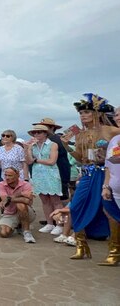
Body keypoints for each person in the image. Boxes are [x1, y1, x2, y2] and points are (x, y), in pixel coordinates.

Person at [61, 94, 119, 262]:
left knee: (109, 210)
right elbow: (80, 158)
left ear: (97, 113)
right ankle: (81, 246)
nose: (83, 115)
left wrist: (109, 152)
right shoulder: (80, 135)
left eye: (86, 112)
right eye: (81, 113)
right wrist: (66, 145)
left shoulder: (110, 130)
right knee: (76, 206)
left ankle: (114, 251)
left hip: (106, 173)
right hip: (88, 173)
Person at [25, 124, 64, 236]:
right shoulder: (33, 146)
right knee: (44, 200)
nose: (36, 134)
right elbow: (29, 161)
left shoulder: (53, 144)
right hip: (38, 175)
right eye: (34, 133)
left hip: (51, 174)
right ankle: (49, 223)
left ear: (45, 133)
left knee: (55, 200)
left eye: (39, 132)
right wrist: (27, 149)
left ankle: (60, 224)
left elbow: (52, 161)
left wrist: (37, 160)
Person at [100, 106, 120, 266]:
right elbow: (108, 166)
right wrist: (106, 186)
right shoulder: (114, 140)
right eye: (117, 115)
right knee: (113, 217)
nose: (118, 117)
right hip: (114, 188)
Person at [0, 167, 37, 243]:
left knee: (20, 205)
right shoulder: (1, 184)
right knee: (3, 233)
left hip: (27, 212)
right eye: (6, 175)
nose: (7, 178)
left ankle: (27, 232)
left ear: (17, 175)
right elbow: (5, 200)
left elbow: (28, 201)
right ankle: (18, 226)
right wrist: (21, 195)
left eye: (10, 175)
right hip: (9, 213)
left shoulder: (26, 184)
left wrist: (9, 198)